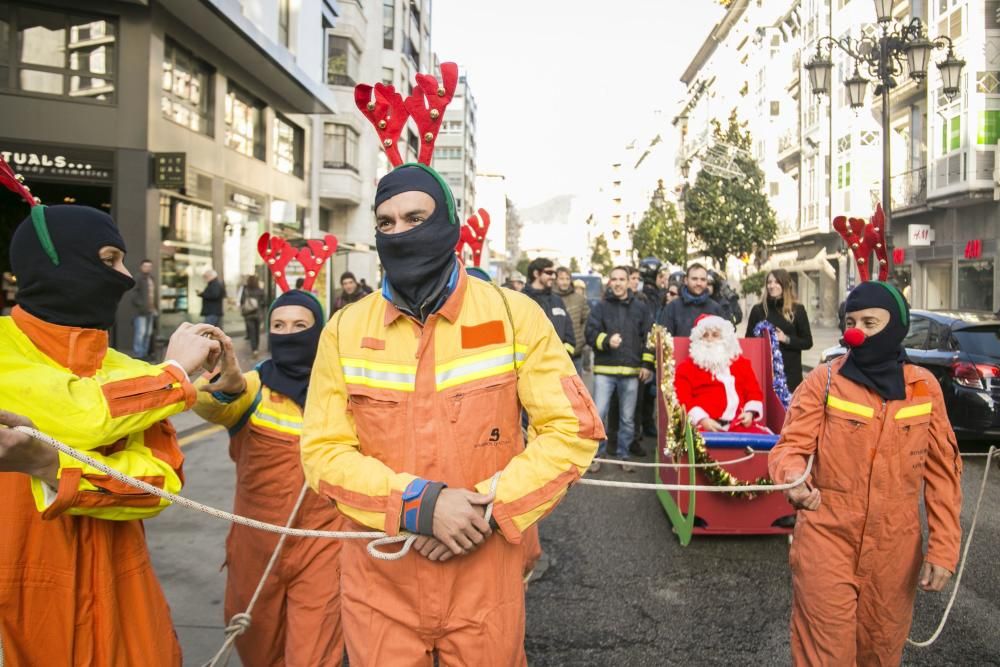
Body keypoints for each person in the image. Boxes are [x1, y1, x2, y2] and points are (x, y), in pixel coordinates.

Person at [300, 163, 603, 665]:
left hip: (484, 578)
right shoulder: (343, 330)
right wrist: (421, 508)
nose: (400, 233)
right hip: (382, 582)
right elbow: (323, 453)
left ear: (448, 224)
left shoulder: (513, 315)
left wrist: (480, 511)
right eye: (387, 223)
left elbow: (573, 430)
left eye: (416, 217)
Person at [0, 204, 224, 665]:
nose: (124, 277)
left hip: (123, 596)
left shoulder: (130, 371)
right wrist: (174, 375)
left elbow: (161, 484)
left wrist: (51, 467)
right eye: (108, 260)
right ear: (56, 260)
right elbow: (78, 414)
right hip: (18, 601)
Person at [769, 280, 962, 666]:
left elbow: (943, 475)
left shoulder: (924, 389)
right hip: (828, 538)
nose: (857, 332)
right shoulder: (823, 381)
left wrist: (943, 547)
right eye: (852, 321)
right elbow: (789, 448)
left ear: (895, 326)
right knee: (826, 655)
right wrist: (795, 481)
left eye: (870, 322)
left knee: (880, 652)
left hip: (895, 548)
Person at [195, 289, 344, 667]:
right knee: (257, 648)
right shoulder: (253, 386)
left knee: (315, 653)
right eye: (278, 325)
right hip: (255, 548)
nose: (288, 333)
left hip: (323, 545)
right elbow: (209, 403)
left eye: (299, 325)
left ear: (318, 332)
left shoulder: (342, 392)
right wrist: (223, 387)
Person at [585, 265, 654, 472]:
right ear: (610, 282)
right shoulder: (600, 307)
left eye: (621, 279)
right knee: (599, 415)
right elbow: (590, 333)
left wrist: (647, 365)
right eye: (614, 279)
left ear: (628, 282)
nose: (617, 283)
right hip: (605, 372)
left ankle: (624, 455)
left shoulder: (640, 308)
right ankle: (597, 455)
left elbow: (649, 337)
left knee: (627, 418)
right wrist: (606, 340)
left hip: (631, 372)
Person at [674, 314, 766, 433]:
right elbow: (682, 399)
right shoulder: (686, 368)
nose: (710, 339)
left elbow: (753, 392)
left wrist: (750, 412)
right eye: (705, 335)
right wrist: (701, 419)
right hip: (703, 428)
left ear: (724, 338)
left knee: (771, 446)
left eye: (715, 335)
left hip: (739, 426)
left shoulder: (741, 363)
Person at [744, 269, 813, 392]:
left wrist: (785, 338)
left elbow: (807, 342)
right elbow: (748, 341)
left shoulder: (797, 310)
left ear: (785, 284)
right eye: (769, 282)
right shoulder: (758, 310)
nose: (772, 286)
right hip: (764, 372)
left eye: (776, 282)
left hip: (790, 376)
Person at [523, 257, 576, 358]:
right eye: (549, 272)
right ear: (536, 274)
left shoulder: (557, 300)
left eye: (554, 273)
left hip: (557, 367)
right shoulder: (521, 299)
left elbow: (570, 335)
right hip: (530, 368)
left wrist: (564, 356)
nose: (553, 276)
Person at [657, 263, 723, 337]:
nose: (699, 283)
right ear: (686, 280)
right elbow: (664, 340)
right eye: (694, 279)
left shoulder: (716, 308)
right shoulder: (672, 308)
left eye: (703, 279)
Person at [555, 266, 590, 375]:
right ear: (555, 280)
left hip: (576, 353)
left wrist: (582, 338)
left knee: (575, 389)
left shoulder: (579, 298)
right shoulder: (550, 299)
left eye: (567, 279)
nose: (565, 282)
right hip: (554, 354)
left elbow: (587, 319)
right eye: (561, 278)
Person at [129, 258, 158, 360]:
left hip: (150, 311)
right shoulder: (138, 278)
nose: (147, 268)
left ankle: (144, 354)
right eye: (145, 266)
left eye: (149, 266)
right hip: (140, 312)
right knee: (140, 333)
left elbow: (152, 295)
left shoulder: (151, 278)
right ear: (141, 267)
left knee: (148, 334)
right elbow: (133, 294)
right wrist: (142, 306)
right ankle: (138, 355)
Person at [240, 275, 266, 358]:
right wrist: (259, 305)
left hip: (248, 314)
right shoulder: (260, 290)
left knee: (251, 332)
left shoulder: (246, 290)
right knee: (257, 332)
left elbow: (242, 301)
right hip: (258, 314)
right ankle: (256, 349)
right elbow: (265, 302)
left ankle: (254, 349)